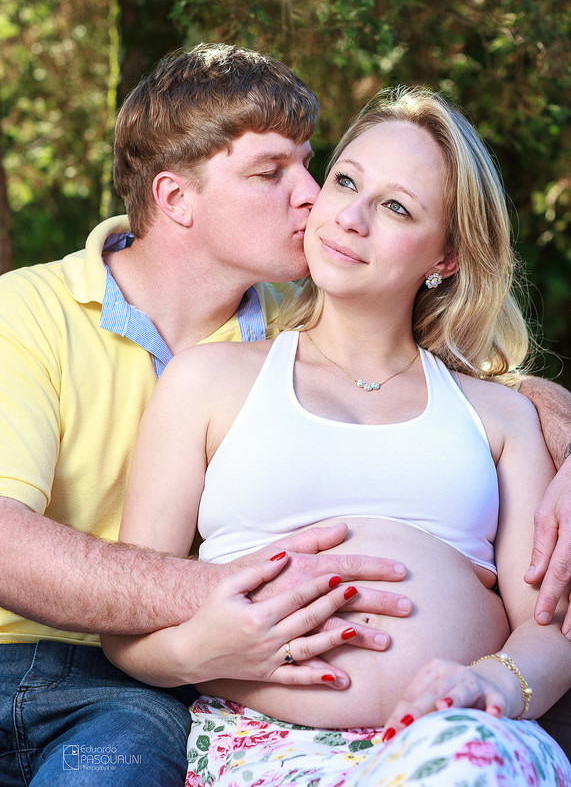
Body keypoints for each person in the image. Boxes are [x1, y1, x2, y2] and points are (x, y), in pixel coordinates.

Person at [0, 43, 569, 784]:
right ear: (175, 199)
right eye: (275, 174)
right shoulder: (53, 322)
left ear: (446, 256)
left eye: (314, 167)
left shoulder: (481, 404)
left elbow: (492, 394)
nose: (320, 201)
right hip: (128, 692)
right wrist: (225, 613)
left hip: (444, 735)